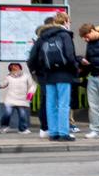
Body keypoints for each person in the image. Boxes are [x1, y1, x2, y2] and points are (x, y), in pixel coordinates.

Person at [26, 12, 80, 141]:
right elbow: (70, 55)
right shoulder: (65, 35)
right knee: (63, 104)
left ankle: (53, 132)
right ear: (65, 22)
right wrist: (75, 69)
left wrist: (37, 72)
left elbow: (32, 58)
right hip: (64, 74)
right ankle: (63, 133)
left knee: (51, 104)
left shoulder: (43, 36)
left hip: (48, 75)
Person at [0, 62, 33, 133]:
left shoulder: (26, 76)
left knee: (22, 114)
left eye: (16, 66)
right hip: (10, 99)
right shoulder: (8, 77)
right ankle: (4, 126)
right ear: (10, 69)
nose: (14, 67)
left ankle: (22, 129)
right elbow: (2, 85)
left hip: (22, 99)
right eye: (12, 67)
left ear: (20, 67)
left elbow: (32, 86)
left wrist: (29, 96)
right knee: (8, 113)